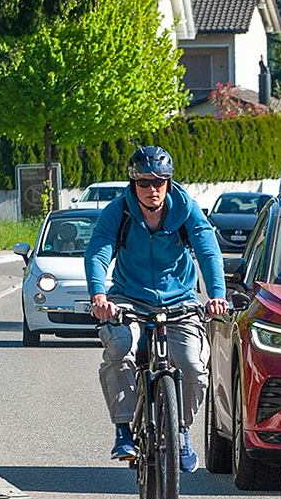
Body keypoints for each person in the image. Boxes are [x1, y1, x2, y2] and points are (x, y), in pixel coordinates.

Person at [84, 146, 229, 473]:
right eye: (145, 182)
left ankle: (179, 430)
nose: (153, 189)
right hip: (128, 298)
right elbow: (98, 252)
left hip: (180, 302)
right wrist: (98, 296)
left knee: (193, 365)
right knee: (121, 347)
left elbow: (208, 252)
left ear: (168, 181)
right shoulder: (117, 212)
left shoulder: (186, 209)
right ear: (133, 183)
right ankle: (124, 430)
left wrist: (216, 295)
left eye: (160, 182)